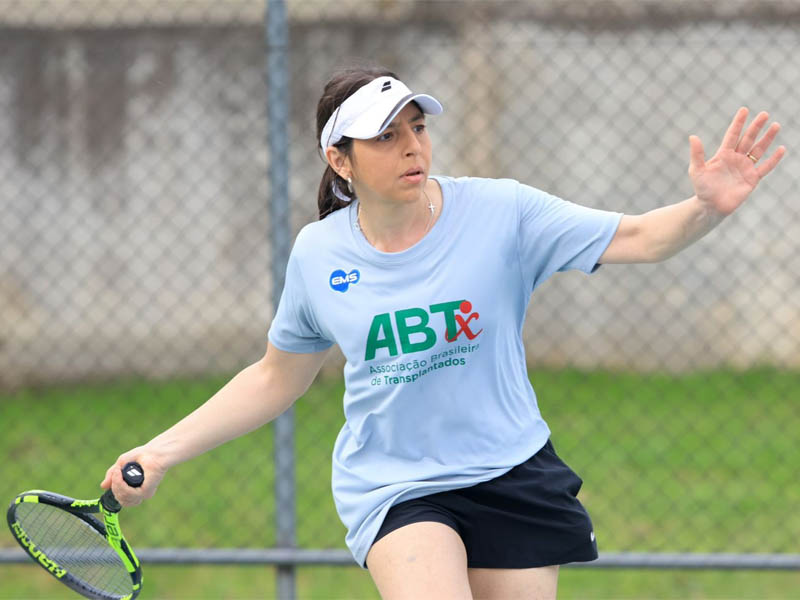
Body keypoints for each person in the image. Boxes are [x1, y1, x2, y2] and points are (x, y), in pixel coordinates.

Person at [102, 65, 785, 599]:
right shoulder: (319, 254)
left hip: (512, 469)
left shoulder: (502, 212)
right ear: (340, 162)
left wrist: (705, 208)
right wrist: (159, 452)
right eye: (386, 137)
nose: (411, 148)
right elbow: (276, 375)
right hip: (398, 487)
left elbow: (640, 237)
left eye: (417, 128)